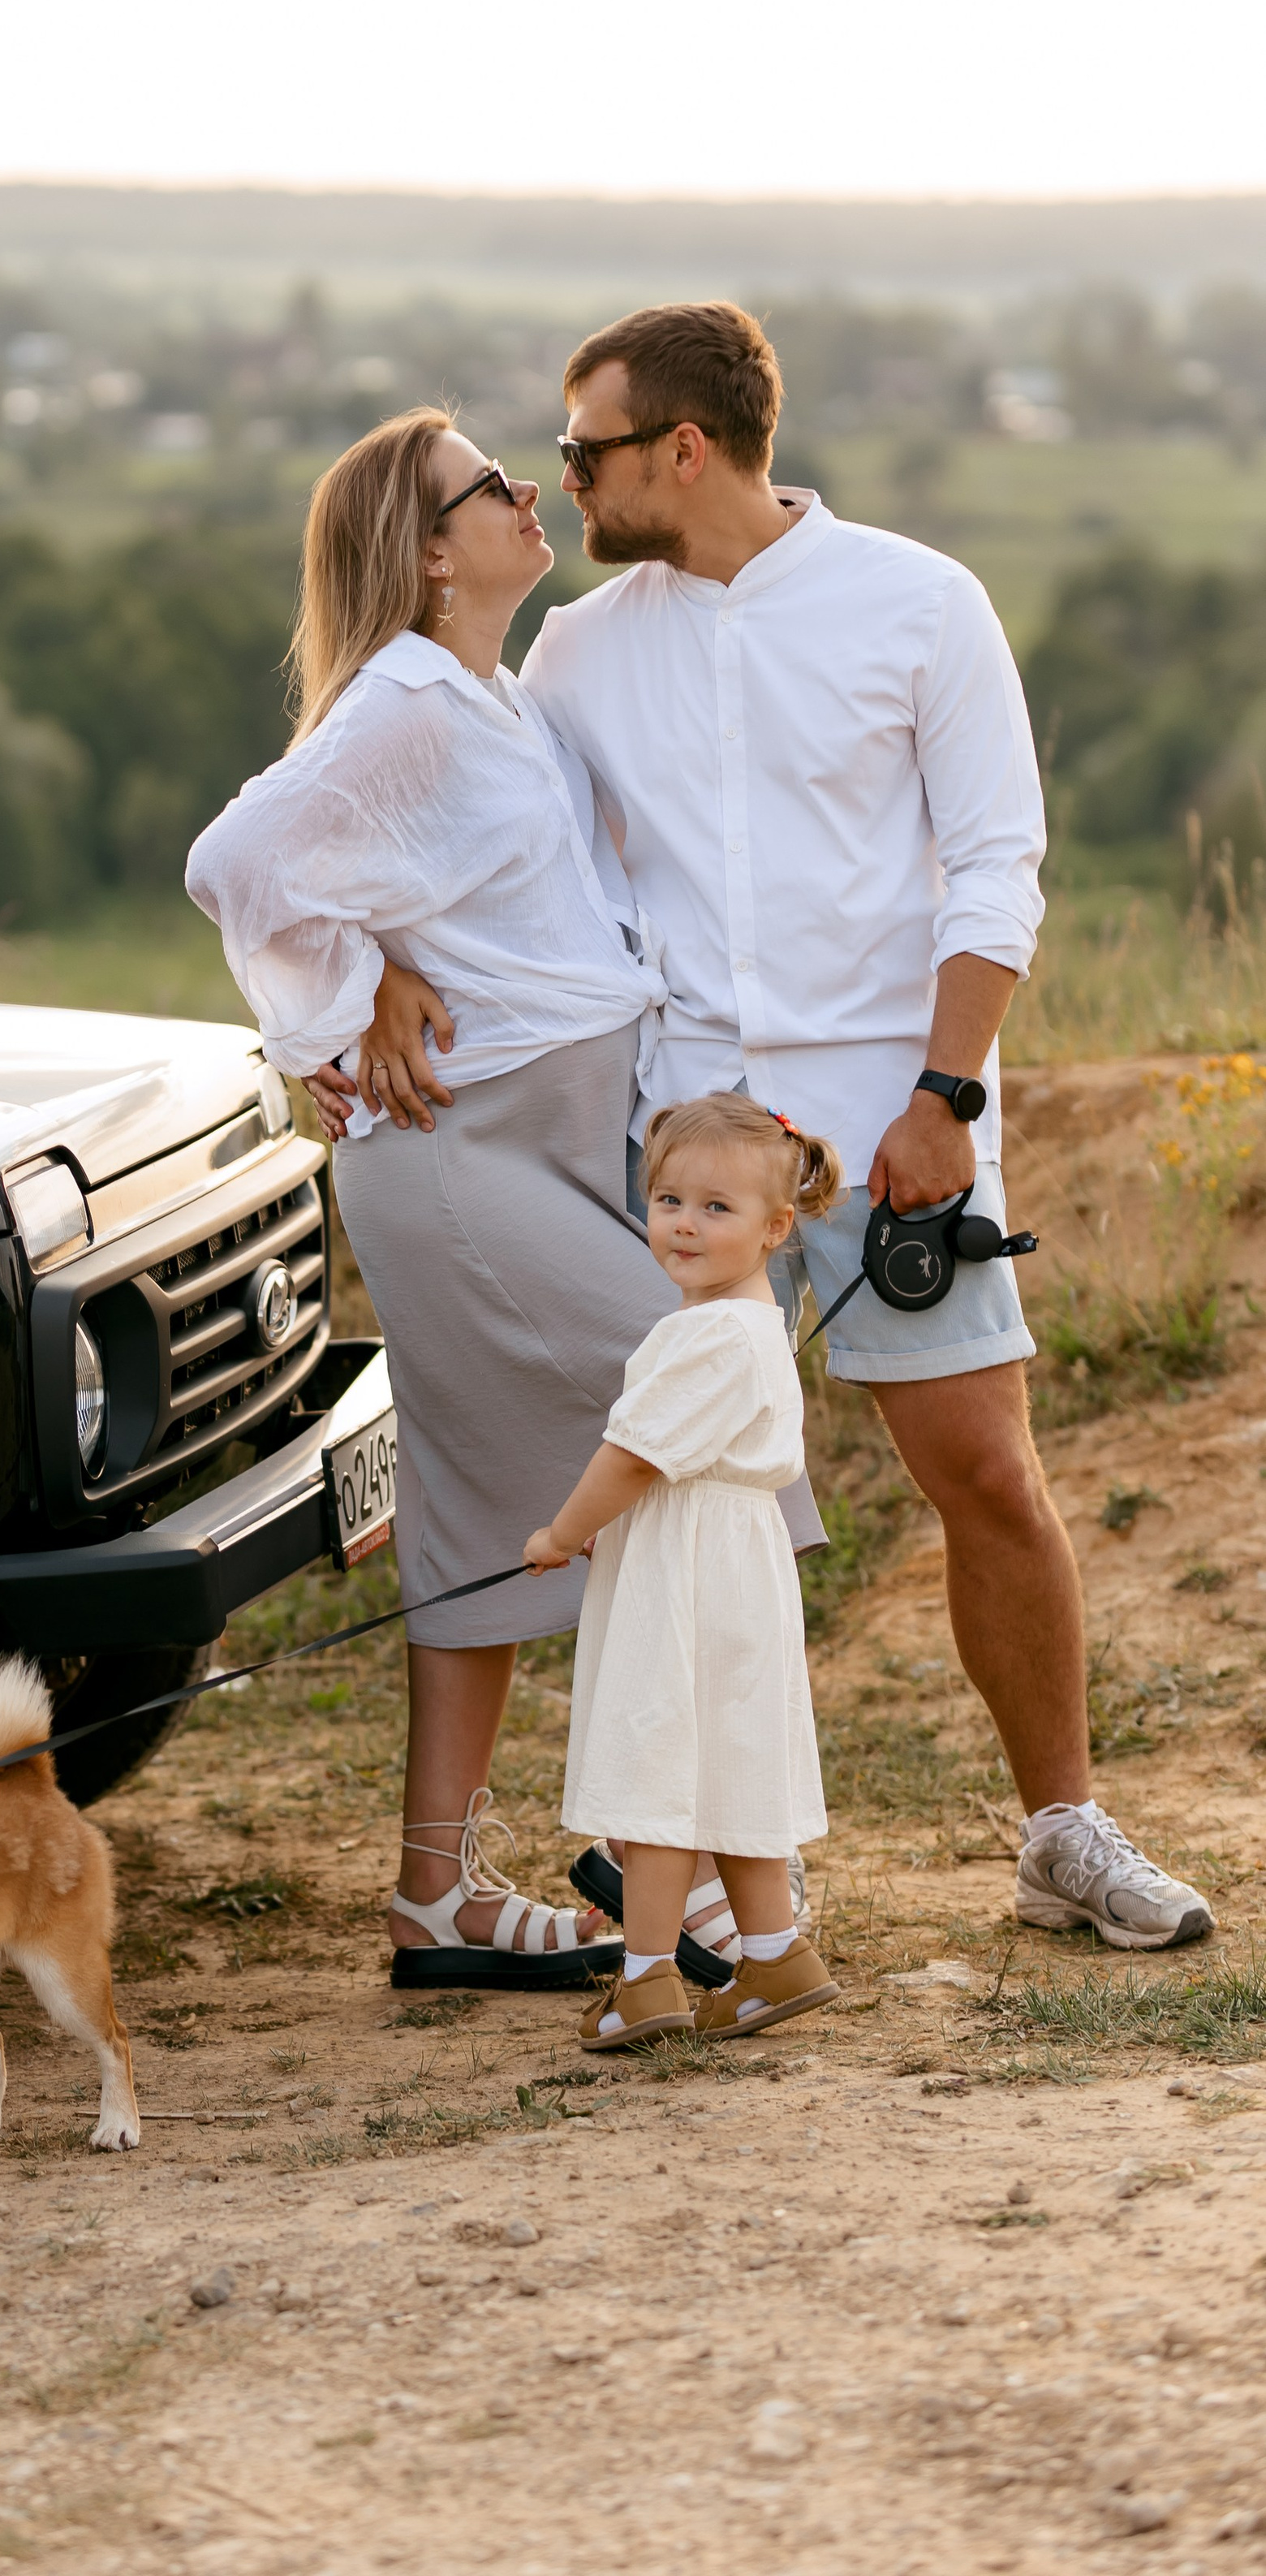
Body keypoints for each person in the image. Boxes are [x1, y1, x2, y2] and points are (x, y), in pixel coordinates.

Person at [354, 299, 1211, 1952]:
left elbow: (992, 868)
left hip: (896, 1131)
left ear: (679, 449)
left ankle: (1063, 1831)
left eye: (581, 450)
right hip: (670, 1146)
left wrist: (944, 1098)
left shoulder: (917, 605)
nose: (559, 484)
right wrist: (379, 972)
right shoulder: (583, 648)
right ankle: (678, 1865)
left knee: (983, 1475)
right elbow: (490, 839)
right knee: (664, 1506)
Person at [187, 408, 722, 1980]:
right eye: (486, 486)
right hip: (460, 1158)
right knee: (694, 1400)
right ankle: (654, 1841)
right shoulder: (410, 699)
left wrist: (392, 946)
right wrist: (348, 989)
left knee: (485, 1513)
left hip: (541, 1142)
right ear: (427, 553)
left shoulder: (490, 696)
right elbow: (242, 859)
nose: (518, 494)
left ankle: (439, 1895)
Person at [524, 1092, 842, 2049]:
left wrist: (562, 1531)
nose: (684, 1224)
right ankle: (775, 1954)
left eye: (717, 1208)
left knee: (657, 1771)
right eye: (667, 1200)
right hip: (733, 1562)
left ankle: (646, 1979)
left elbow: (631, 1457)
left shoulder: (706, 1335)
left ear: (774, 1226)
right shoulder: (751, 1321)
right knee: (729, 1770)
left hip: (689, 1574)